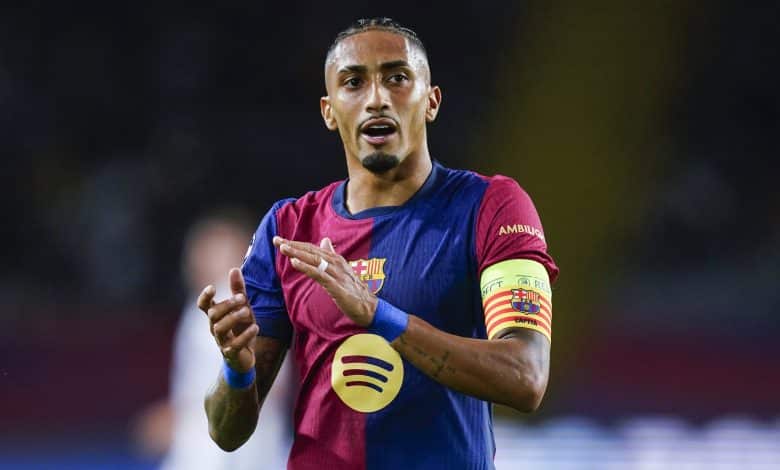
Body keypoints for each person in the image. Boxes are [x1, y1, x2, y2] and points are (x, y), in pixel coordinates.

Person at [197, 18, 559, 470]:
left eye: (397, 78)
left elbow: (526, 377)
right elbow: (226, 433)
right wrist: (237, 368)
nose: (376, 98)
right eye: (354, 82)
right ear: (329, 111)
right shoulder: (289, 229)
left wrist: (378, 315)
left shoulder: (491, 207)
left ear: (431, 101)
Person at [134, 210, 293, 470]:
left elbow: (257, 386)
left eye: (215, 251)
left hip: (231, 454)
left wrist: (182, 418)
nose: (199, 260)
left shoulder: (227, 304)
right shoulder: (210, 308)